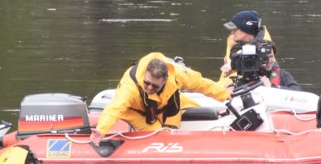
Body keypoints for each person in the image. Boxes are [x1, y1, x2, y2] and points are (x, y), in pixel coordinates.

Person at [91, 52, 232, 141]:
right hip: (137, 112)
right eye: (147, 83)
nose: (150, 88)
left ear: (165, 80)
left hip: (166, 106)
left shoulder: (177, 74)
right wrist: (101, 130)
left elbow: (200, 83)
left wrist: (224, 94)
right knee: (159, 135)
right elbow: (114, 108)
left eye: (155, 86)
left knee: (194, 110)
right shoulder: (130, 88)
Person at [219, 10, 273, 82]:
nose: (232, 32)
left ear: (247, 29)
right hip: (227, 85)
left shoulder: (264, 49)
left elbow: (270, 69)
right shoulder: (233, 44)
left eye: (235, 29)